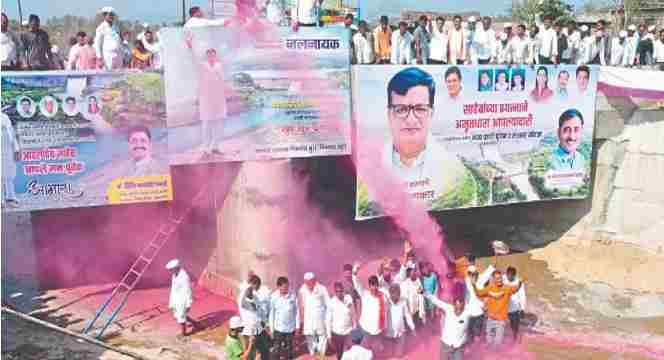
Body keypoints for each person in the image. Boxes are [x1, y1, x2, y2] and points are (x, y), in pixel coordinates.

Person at [473, 270, 524, 348]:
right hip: (490, 319)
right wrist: (473, 285)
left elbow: (516, 289)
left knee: (497, 343)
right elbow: (479, 293)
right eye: (497, 278)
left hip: (501, 320)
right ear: (493, 279)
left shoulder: (507, 288)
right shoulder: (490, 287)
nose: (499, 280)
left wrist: (520, 282)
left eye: (500, 278)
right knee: (489, 341)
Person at [351, 262, 388, 352]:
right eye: (372, 285)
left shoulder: (383, 296)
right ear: (369, 285)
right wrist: (355, 272)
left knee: (377, 350)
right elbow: (356, 283)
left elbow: (386, 311)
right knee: (361, 349)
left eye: (376, 285)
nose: (374, 287)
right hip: (364, 328)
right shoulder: (365, 294)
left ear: (378, 285)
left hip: (377, 330)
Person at [423, 292, 472, 360]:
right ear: (453, 305)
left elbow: (478, 307)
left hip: (458, 348)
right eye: (456, 308)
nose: (458, 311)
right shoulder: (448, 308)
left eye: (461, 308)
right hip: (446, 345)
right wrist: (423, 292)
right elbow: (435, 300)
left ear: (464, 306)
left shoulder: (468, 312)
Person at [239, 275, 271, 360]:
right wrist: (250, 287)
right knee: (250, 355)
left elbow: (259, 311)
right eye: (257, 286)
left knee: (265, 351)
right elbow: (248, 304)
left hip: (259, 329)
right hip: (249, 332)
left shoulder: (255, 296)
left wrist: (265, 323)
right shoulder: (244, 297)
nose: (258, 288)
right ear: (253, 284)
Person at [299, 272, 329, 357]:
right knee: (309, 335)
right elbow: (301, 304)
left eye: (310, 281)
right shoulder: (302, 290)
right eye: (306, 281)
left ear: (314, 280)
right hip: (308, 317)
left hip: (320, 317)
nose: (308, 283)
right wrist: (301, 319)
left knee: (322, 335)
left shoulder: (322, 289)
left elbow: (328, 304)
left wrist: (327, 318)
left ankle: (321, 353)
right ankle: (312, 353)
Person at [269, 276, 299, 360]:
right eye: (284, 287)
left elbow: (297, 312)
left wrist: (297, 327)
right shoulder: (274, 297)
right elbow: (271, 314)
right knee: (277, 350)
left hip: (290, 328)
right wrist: (271, 330)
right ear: (278, 287)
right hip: (278, 328)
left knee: (290, 349)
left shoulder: (293, 295)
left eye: (287, 286)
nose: (286, 289)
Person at [327, 282, 357, 360]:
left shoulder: (348, 298)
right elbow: (328, 320)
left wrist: (354, 327)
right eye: (337, 291)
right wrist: (329, 336)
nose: (339, 293)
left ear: (343, 290)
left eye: (341, 291)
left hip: (348, 332)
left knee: (351, 353)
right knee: (340, 355)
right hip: (337, 333)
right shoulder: (331, 302)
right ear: (334, 291)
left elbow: (353, 313)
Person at [383, 284, 415, 358]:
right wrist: (383, 329)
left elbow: (407, 315)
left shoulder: (403, 302)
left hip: (401, 332)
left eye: (399, 293)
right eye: (396, 293)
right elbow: (383, 316)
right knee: (389, 355)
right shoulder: (387, 303)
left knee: (399, 355)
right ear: (391, 294)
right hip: (389, 333)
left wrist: (412, 327)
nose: (398, 295)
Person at [166, 259, 195, 337]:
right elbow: (173, 287)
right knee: (178, 314)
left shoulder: (184, 276)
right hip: (176, 298)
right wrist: (171, 300)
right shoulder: (174, 275)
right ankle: (195, 323)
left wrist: (188, 303)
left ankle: (183, 334)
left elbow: (188, 290)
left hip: (182, 299)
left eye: (171, 270)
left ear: (176, 268)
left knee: (181, 316)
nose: (170, 271)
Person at [1, 112, 20, 208]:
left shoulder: (5, 118)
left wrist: (16, 151)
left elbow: (13, 139)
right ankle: (1, 200)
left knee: (9, 177)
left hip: (8, 153)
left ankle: (11, 198)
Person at [504, 267, 526, 343]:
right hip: (503, 307)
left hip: (514, 308)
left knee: (515, 326)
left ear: (514, 275)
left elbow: (522, 295)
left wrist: (522, 308)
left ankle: (514, 338)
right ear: (506, 274)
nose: (509, 277)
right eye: (508, 275)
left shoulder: (518, 282)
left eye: (511, 275)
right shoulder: (502, 279)